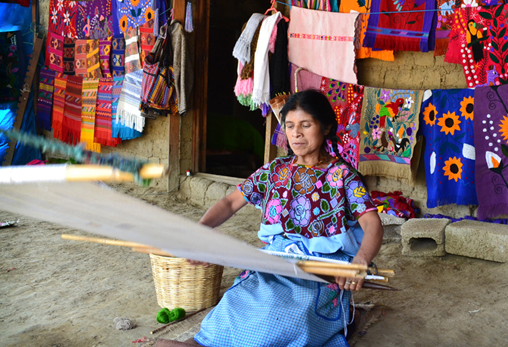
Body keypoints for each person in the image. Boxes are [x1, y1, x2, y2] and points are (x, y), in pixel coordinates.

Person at [158, 90, 383, 347]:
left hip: (322, 269)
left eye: (306, 125)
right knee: (237, 303)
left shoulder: (343, 176)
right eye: (289, 126)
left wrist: (361, 260)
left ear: (326, 127)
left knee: (280, 318)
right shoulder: (275, 171)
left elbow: (371, 223)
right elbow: (231, 202)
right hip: (275, 261)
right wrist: (200, 230)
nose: (296, 133)